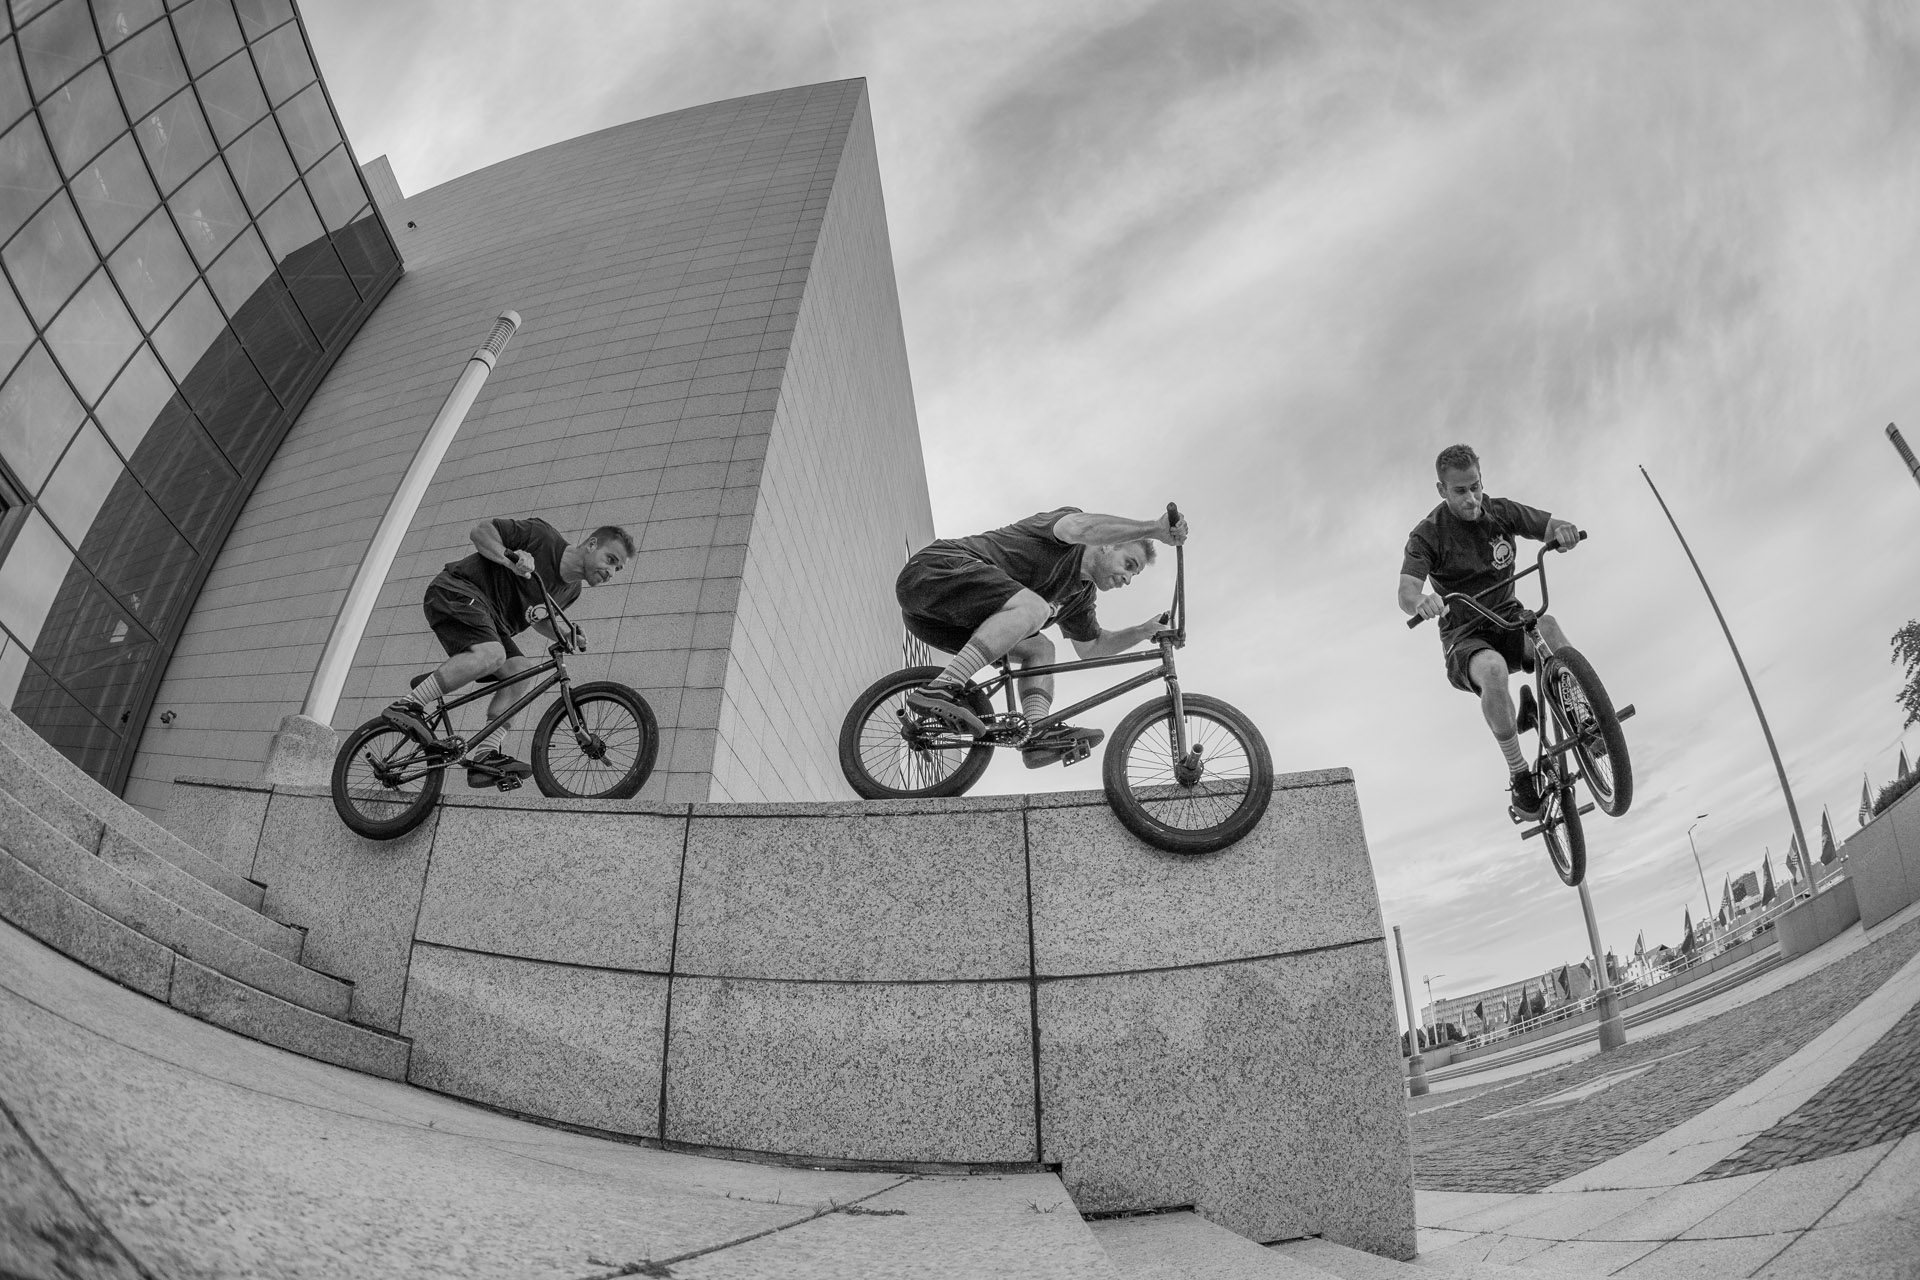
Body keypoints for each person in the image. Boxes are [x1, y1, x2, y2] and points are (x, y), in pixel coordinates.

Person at [896, 506, 1187, 768]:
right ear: (1107, 544)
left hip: (939, 623)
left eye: (1134, 576)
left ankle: (1035, 734)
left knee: (1041, 649)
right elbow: (1084, 527)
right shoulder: (1067, 537)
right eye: (1129, 564)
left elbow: (1092, 648)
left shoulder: (1080, 597)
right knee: (1035, 608)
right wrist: (1154, 528)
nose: (1128, 579)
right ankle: (941, 688)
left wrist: (1142, 631)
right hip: (934, 571)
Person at [1398, 445, 1580, 817]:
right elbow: (1406, 591)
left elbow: (1551, 526)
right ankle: (1519, 773)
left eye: (1476, 487)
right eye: (1460, 491)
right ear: (1442, 490)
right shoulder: (1427, 535)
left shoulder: (1501, 512)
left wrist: (1564, 533)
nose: (1472, 498)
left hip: (1509, 619)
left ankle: (1581, 714)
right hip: (1465, 636)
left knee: (1546, 625)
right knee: (1493, 670)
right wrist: (1420, 602)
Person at [385, 517, 633, 787]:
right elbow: (480, 532)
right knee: (493, 654)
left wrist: (564, 633)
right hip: (458, 590)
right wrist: (509, 558)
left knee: (521, 672)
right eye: (610, 560)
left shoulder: (571, 591)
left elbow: (538, 617)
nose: (611, 572)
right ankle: (406, 705)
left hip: (493, 622)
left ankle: (486, 755)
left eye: (618, 568)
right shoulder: (543, 537)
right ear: (592, 544)